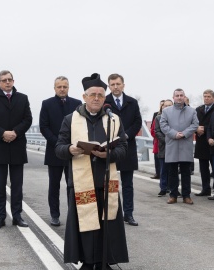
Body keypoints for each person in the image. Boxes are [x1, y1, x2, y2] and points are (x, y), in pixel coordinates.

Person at [56, 73, 128, 270]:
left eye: (101, 95)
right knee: (85, 225)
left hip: (105, 179)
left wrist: (109, 155)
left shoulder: (113, 120)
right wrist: (70, 149)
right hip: (81, 181)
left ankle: (104, 262)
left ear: (105, 98)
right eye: (93, 94)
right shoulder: (71, 119)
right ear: (84, 97)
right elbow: (59, 147)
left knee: (107, 224)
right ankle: (88, 262)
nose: (97, 98)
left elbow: (123, 148)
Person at [0, 70, 33, 230]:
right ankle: (0, 217)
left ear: (13, 81)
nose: (7, 82)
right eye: (4, 80)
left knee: (17, 186)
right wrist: (2, 133)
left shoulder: (22, 98)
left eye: (10, 79)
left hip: (17, 146)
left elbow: (28, 119)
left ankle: (17, 216)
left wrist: (15, 132)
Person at [39, 76, 82, 227]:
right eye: (59, 87)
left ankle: (73, 215)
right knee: (54, 186)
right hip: (54, 151)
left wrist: (71, 145)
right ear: (54, 88)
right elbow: (43, 127)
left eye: (65, 86)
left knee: (73, 185)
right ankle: (54, 215)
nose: (62, 89)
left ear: (68, 87)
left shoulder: (77, 104)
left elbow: (81, 125)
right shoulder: (47, 104)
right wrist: (58, 143)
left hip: (73, 152)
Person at [104, 73, 142, 226]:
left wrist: (126, 135)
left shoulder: (132, 102)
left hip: (127, 146)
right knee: (109, 182)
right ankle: (111, 213)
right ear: (109, 86)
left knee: (127, 184)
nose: (115, 87)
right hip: (110, 147)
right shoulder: (104, 102)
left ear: (123, 85)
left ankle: (129, 213)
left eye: (118, 84)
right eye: (112, 84)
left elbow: (137, 122)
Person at [160, 88, 198, 205]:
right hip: (172, 143)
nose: (179, 97)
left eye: (181, 95)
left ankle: (186, 195)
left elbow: (195, 124)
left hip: (185, 144)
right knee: (172, 172)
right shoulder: (166, 111)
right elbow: (163, 125)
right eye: (177, 95)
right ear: (173, 97)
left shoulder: (192, 111)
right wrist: (174, 134)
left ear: (184, 97)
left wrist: (185, 133)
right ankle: (173, 195)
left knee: (186, 171)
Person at [194, 90, 214, 196]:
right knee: (203, 168)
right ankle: (205, 188)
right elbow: (193, 122)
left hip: (213, 141)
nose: (206, 98)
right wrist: (196, 129)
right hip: (201, 141)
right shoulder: (198, 109)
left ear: (213, 97)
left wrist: (204, 128)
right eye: (205, 96)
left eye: (209, 96)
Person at [153, 99, 173, 196]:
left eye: (170, 105)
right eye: (166, 105)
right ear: (162, 107)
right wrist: (166, 140)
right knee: (163, 169)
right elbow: (157, 131)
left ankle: (173, 188)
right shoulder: (158, 118)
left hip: (174, 146)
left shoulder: (177, 117)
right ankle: (163, 188)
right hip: (163, 146)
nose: (167, 107)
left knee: (173, 170)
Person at [150, 100, 165, 179]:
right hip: (158, 140)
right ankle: (158, 173)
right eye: (162, 105)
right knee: (157, 158)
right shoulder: (156, 115)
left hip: (167, 142)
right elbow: (153, 128)